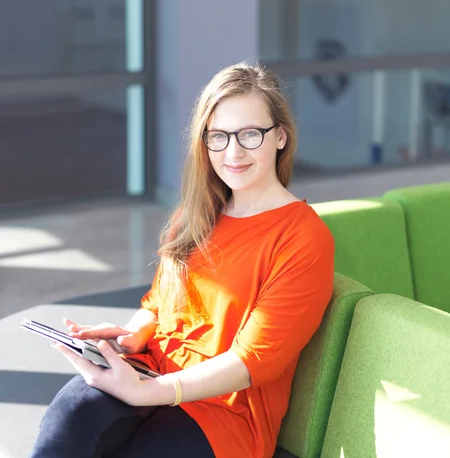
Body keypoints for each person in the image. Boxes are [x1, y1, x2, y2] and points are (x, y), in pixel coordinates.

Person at [30, 62, 334, 458]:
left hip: (222, 408)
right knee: (66, 429)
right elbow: (159, 304)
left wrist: (151, 392)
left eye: (250, 134)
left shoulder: (302, 236)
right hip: (149, 368)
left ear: (280, 137)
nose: (234, 152)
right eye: (219, 136)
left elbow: (254, 361)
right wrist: (128, 337)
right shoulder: (195, 214)